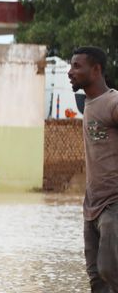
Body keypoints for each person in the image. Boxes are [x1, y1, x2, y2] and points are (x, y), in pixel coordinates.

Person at [67, 46, 118, 292]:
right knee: (96, 279)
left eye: (77, 66)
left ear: (96, 69)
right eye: (71, 65)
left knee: (111, 271)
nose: (70, 72)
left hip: (114, 204)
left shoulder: (113, 102)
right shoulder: (88, 104)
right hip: (92, 205)